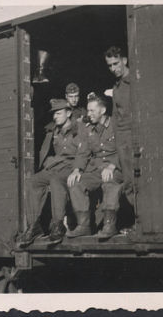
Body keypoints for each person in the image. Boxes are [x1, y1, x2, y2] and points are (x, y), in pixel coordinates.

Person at [18, 99, 81, 246]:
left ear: (69, 113)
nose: (55, 117)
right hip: (56, 166)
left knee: (56, 181)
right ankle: (35, 225)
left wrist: (78, 169)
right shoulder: (54, 130)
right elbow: (47, 152)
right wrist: (47, 162)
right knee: (32, 182)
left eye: (58, 113)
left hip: (71, 167)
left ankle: (58, 224)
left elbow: (84, 152)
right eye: (54, 114)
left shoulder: (79, 128)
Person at [67, 94, 123, 239]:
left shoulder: (116, 125)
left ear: (103, 110)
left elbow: (124, 149)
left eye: (92, 111)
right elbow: (82, 152)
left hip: (116, 168)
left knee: (109, 183)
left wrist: (112, 166)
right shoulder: (88, 129)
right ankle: (83, 226)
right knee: (76, 183)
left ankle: (109, 225)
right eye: (88, 110)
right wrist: (76, 170)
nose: (89, 114)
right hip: (96, 170)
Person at [104, 46, 135, 206]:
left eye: (116, 63)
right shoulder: (116, 87)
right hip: (122, 139)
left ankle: (143, 223)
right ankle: (138, 222)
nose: (113, 68)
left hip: (135, 137)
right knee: (129, 181)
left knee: (139, 180)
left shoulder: (135, 81)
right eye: (109, 65)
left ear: (124, 60)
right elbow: (115, 117)